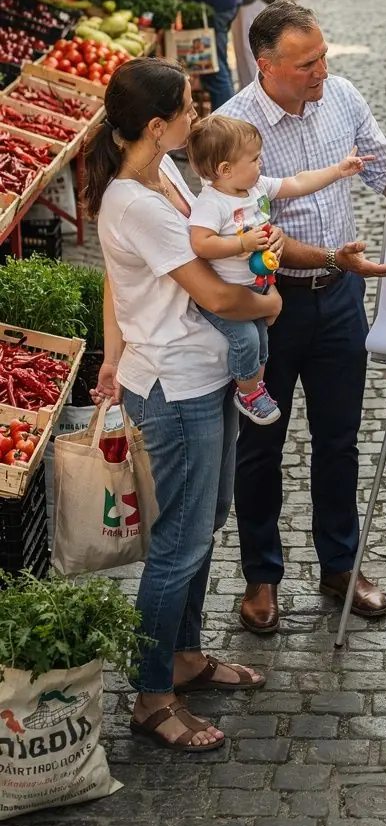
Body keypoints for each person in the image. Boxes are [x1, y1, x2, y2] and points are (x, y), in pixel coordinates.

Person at [88, 58, 280, 752]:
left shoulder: (162, 176)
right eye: (191, 108)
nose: (199, 117)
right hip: (175, 388)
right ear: (156, 124)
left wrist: (110, 359)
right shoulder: (135, 203)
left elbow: (116, 285)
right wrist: (271, 303)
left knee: (208, 518)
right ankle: (151, 693)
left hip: (197, 377)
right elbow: (220, 296)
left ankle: (186, 656)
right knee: (177, 544)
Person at [218, 1, 386, 633]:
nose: (323, 70)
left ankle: (340, 565)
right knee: (261, 446)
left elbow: (383, 169)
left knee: (338, 441)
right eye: (308, 63)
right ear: (265, 66)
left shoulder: (343, 96)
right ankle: (261, 578)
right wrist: (330, 256)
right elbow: (254, 233)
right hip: (268, 309)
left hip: (340, 301)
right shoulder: (231, 129)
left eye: (324, 55)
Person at [187, 113, 370, 424]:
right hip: (230, 294)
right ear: (225, 169)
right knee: (246, 340)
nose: (261, 165)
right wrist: (241, 245)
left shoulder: (255, 188)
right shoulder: (212, 203)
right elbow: (201, 243)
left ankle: (254, 385)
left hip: (258, 285)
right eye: (255, 159)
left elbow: (297, 183)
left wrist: (337, 171)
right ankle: (247, 392)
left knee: (261, 342)